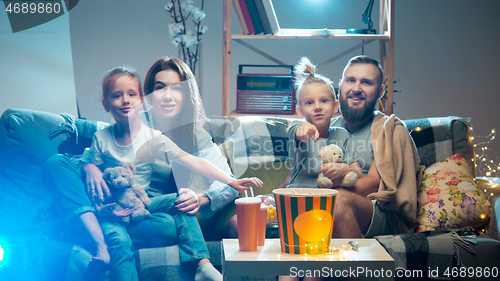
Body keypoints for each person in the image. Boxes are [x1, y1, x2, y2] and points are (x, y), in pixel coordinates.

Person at [287, 55, 424, 240]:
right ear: (341, 85)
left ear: (380, 91)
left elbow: (375, 183)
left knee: (338, 201)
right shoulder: (325, 122)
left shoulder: (388, 129)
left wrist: (328, 189)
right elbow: (299, 170)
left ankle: (358, 268)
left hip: (373, 209)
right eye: (351, 80)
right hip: (321, 199)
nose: (356, 88)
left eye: (366, 82)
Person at [285, 57, 363, 191]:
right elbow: (296, 131)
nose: (317, 107)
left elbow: (359, 174)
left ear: (335, 106)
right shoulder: (299, 130)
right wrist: (302, 128)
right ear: (300, 111)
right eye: (310, 103)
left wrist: (345, 168)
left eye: (324, 101)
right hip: (297, 194)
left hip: (329, 198)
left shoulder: (341, 134)